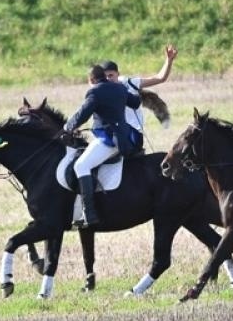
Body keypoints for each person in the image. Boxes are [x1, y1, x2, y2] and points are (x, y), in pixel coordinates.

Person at [64, 64, 142, 228]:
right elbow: (135, 102)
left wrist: (67, 127)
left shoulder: (94, 92)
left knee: (81, 165)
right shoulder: (118, 88)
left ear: (91, 79)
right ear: (104, 76)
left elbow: (82, 115)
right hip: (124, 137)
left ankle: (89, 214)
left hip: (109, 139)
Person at [103, 45, 177, 147]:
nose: (108, 79)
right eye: (105, 76)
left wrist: (169, 60)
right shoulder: (101, 90)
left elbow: (160, 78)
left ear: (118, 74)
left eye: (111, 75)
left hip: (133, 134)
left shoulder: (130, 83)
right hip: (115, 133)